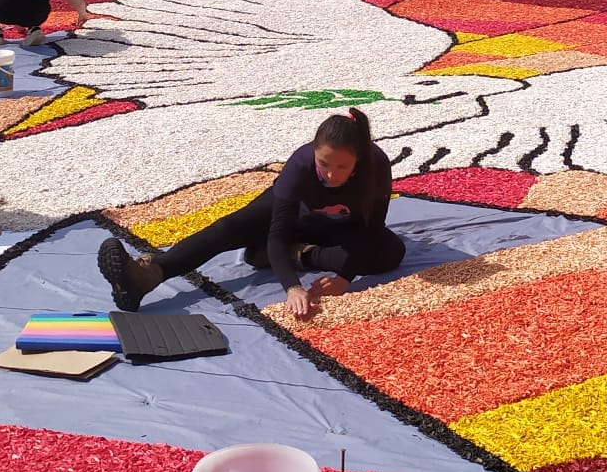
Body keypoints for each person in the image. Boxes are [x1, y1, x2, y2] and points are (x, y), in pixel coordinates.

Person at [96, 108, 405, 319]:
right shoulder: (299, 165)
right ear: (313, 151)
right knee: (229, 227)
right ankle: (148, 276)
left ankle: (301, 255)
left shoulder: (376, 166)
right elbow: (278, 232)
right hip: (297, 218)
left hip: (340, 228)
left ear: (358, 161)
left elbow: (373, 228)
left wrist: (344, 277)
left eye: (341, 167)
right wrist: (292, 287)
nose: (330, 174)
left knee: (390, 252)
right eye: (323, 163)